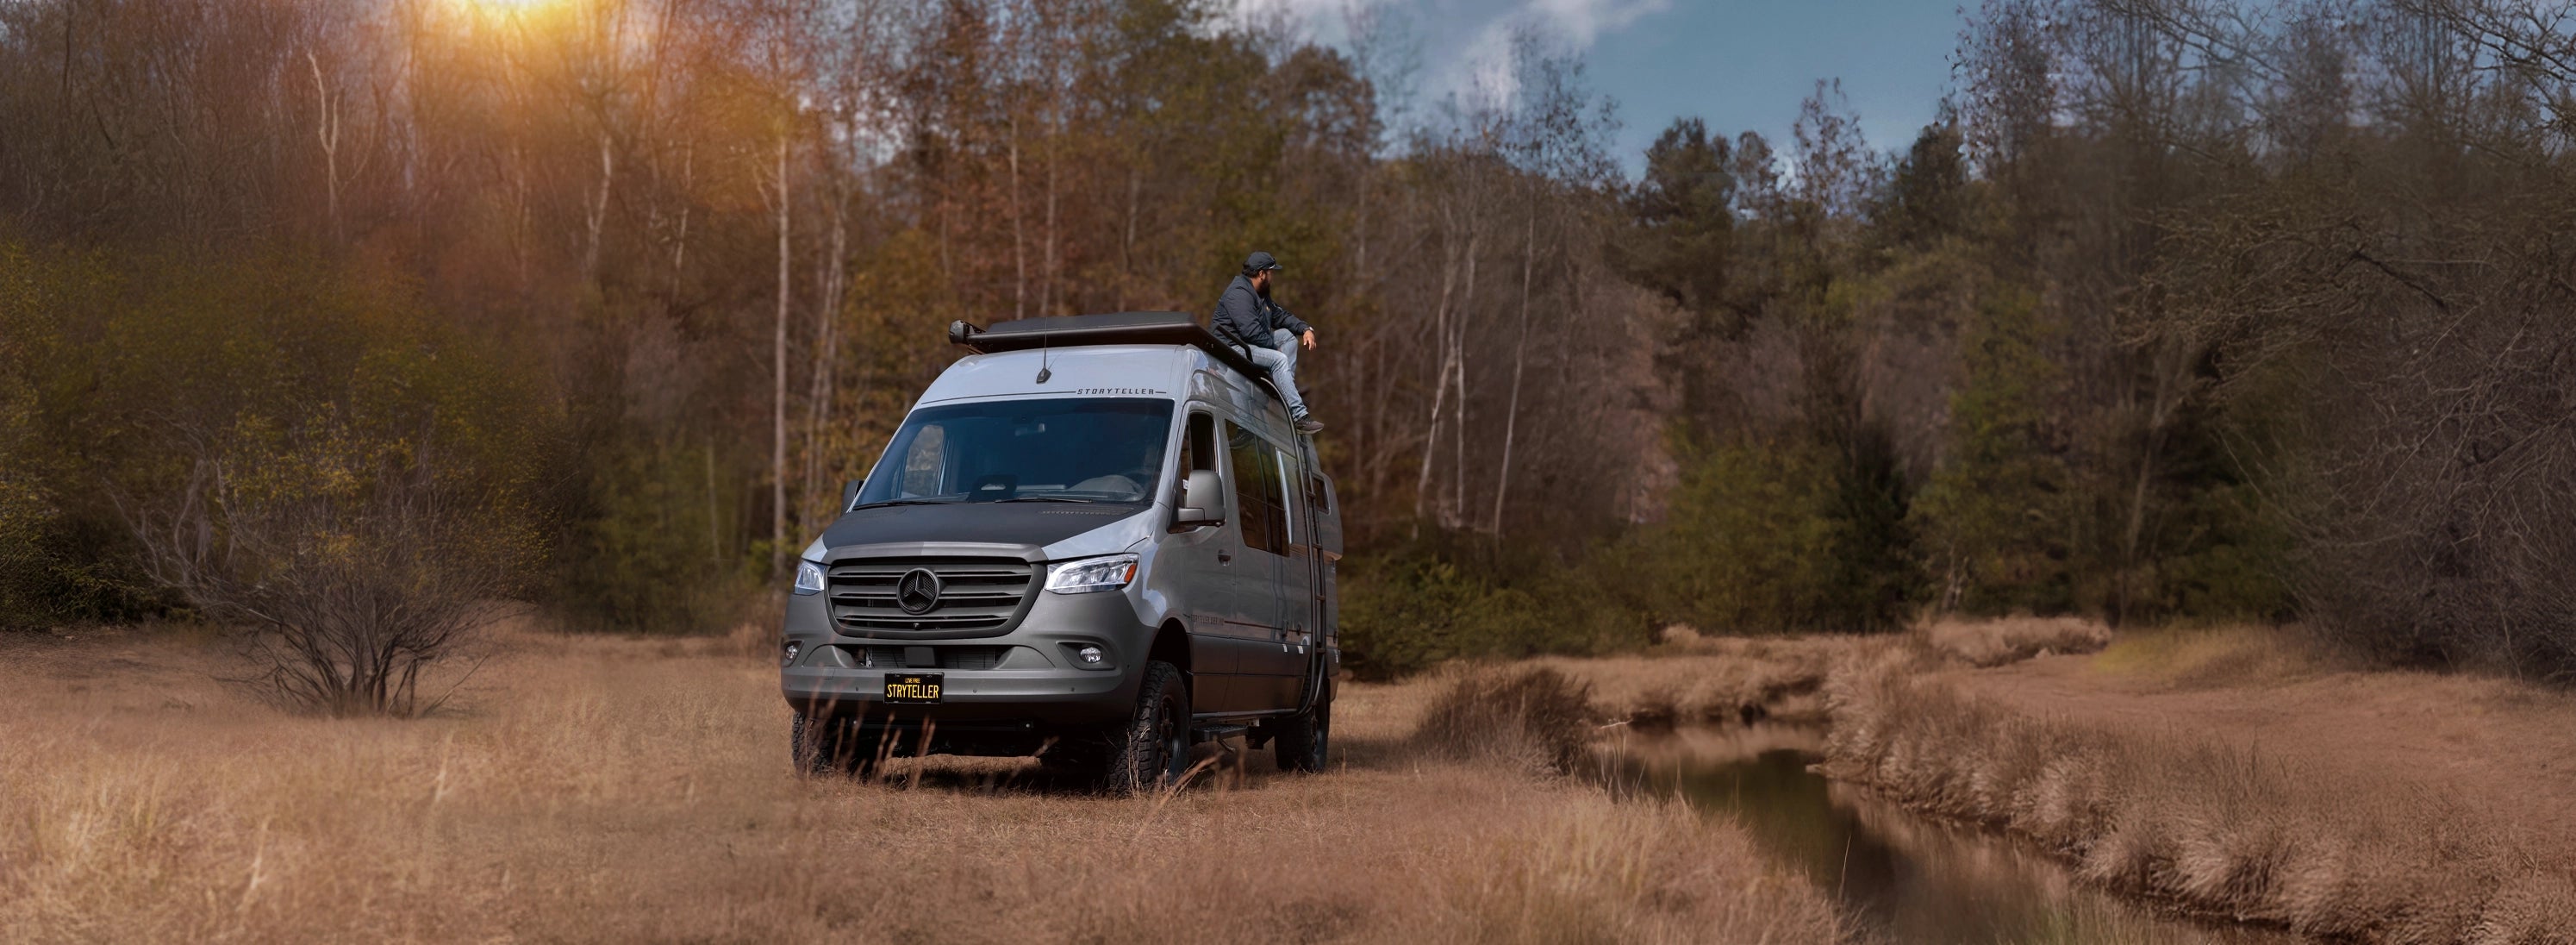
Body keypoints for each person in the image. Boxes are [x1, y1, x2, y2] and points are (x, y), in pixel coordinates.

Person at [1212, 250, 1324, 434]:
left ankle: (1281, 389)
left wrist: (1305, 329)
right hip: (1232, 349)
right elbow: (1251, 333)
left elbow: (1279, 316)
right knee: (1279, 359)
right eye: (1271, 272)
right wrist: (1275, 349)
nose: (1273, 276)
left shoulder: (1260, 293)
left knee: (1288, 336)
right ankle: (1299, 417)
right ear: (1261, 274)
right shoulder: (1238, 294)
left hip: (1247, 345)